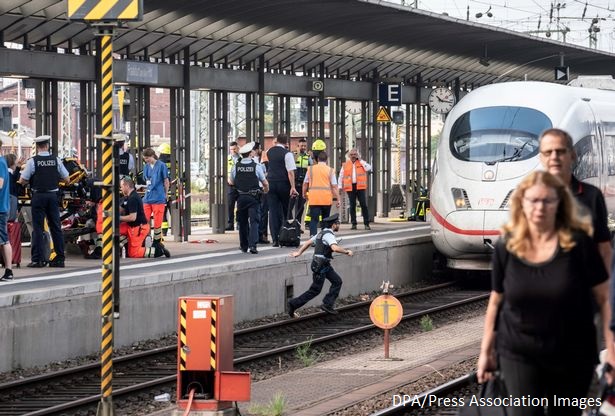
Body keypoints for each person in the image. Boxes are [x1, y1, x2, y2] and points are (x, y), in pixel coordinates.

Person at [477, 171, 615, 416]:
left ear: (559, 203)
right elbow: (496, 301)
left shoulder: (579, 244)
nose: (539, 207)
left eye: (547, 200)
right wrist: (486, 352)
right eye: (533, 200)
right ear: (522, 202)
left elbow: (604, 299)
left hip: (572, 354)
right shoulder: (507, 246)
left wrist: (611, 352)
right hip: (519, 351)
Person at [539, 127, 611, 271]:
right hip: (541, 284)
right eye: (548, 152)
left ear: (573, 155)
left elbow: (603, 247)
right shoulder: (529, 196)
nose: (554, 157)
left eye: (560, 151)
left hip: (582, 284)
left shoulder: (592, 196)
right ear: (541, 158)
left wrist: (605, 289)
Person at [287, 213, 353, 317]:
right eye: (338, 223)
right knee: (315, 290)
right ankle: (293, 303)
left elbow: (308, 242)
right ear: (334, 225)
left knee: (337, 281)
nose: (339, 226)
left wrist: (299, 253)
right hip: (321, 266)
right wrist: (347, 252)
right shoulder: (329, 235)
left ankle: (328, 304)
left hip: (323, 265)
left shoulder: (321, 233)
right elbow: (335, 248)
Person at [18, 135, 70, 268]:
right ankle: (59, 258)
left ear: (37, 147)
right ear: (47, 146)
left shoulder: (32, 162)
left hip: (38, 196)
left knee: (38, 228)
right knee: (56, 227)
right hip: (53, 196)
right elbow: (67, 179)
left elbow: (23, 180)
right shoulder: (56, 160)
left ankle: (38, 259)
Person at [229, 142, 269, 254]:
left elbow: (231, 181)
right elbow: (264, 183)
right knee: (254, 221)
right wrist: (265, 191)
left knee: (242, 222)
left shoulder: (235, 166)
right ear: (250, 153)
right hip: (253, 198)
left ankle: (243, 246)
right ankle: (253, 245)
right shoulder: (256, 167)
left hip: (241, 198)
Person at [119, 176, 170, 258]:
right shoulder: (129, 197)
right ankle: (126, 245)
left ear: (126, 186)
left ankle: (158, 251)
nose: (121, 189)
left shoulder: (133, 198)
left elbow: (132, 217)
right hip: (132, 226)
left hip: (139, 227)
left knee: (134, 253)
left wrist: (118, 218)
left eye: (121, 187)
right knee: (113, 230)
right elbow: (122, 208)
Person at [266, 134, 298, 247]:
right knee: (286, 210)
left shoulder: (269, 151)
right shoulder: (287, 154)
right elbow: (290, 172)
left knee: (273, 212)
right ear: (286, 143)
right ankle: (286, 236)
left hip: (271, 184)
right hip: (284, 184)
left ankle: (275, 239)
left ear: (277, 141)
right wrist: (293, 187)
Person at [304, 151, 340, 237]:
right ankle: (324, 238)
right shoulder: (330, 170)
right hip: (326, 199)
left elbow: (305, 183)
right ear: (326, 160)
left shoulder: (310, 169)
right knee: (325, 219)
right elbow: (334, 186)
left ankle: (313, 238)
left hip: (314, 199)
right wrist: (338, 199)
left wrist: (304, 194)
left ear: (317, 159)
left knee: (314, 219)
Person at [142, 147, 170, 252]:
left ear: (152, 156)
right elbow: (146, 180)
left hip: (158, 197)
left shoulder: (162, 166)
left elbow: (166, 181)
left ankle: (157, 242)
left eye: (147, 158)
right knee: (145, 220)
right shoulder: (146, 167)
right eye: (145, 159)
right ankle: (145, 239)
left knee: (158, 222)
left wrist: (166, 194)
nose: (146, 160)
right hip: (148, 197)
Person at [339, 148, 372, 230]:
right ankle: (354, 224)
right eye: (352, 154)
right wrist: (340, 186)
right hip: (350, 187)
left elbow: (369, 168)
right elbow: (341, 176)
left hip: (360, 187)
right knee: (352, 205)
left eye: (355, 154)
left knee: (363, 205)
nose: (353, 156)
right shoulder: (345, 164)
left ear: (357, 155)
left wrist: (360, 160)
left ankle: (366, 223)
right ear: (349, 156)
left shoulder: (361, 163)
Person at [0, 142, 13, 281]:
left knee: (3, 240)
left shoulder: (0, 163)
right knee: (3, 240)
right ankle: (8, 270)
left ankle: (9, 271)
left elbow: (0, 184)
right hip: (2, 207)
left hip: (0, 208)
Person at [293, 138, 311, 226]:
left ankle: (298, 224)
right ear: (298, 146)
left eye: (304, 146)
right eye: (301, 146)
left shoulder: (308, 157)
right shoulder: (294, 155)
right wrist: (298, 154)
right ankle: (290, 224)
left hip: (303, 184)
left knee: (300, 205)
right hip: (294, 184)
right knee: (292, 205)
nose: (303, 147)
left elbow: (312, 168)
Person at [226, 141, 240, 231]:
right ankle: (230, 224)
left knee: (240, 205)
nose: (233, 151)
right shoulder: (227, 159)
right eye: (231, 149)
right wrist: (228, 179)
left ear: (237, 148)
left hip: (240, 185)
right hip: (230, 185)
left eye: (234, 149)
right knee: (230, 205)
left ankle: (239, 223)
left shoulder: (241, 158)